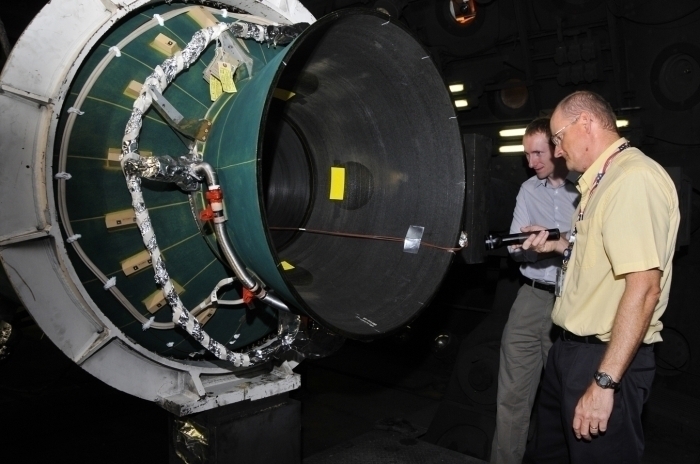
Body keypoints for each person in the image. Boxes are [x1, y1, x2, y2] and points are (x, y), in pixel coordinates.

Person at [519, 90, 680, 463]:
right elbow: (600, 261)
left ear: (586, 122)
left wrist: (605, 382)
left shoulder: (633, 179)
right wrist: (559, 245)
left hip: (604, 358)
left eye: (559, 138)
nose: (558, 151)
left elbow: (645, 289)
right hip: (571, 352)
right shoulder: (601, 182)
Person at [490, 117, 579, 464]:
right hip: (531, 296)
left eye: (538, 153)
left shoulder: (585, 187)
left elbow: (596, 247)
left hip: (572, 299)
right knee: (511, 396)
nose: (531, 162)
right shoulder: (528, 189)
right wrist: (531, 248)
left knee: (567, 400)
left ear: (557, 149)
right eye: (527, 155)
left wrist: (555, 242)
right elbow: (516, 249)